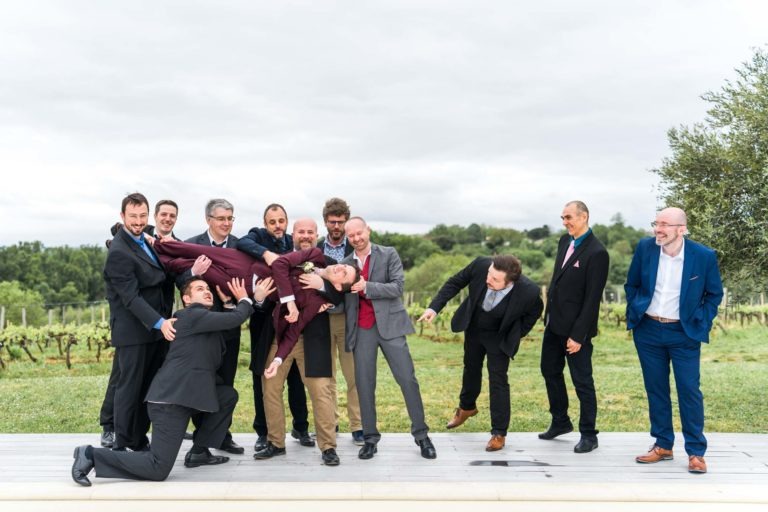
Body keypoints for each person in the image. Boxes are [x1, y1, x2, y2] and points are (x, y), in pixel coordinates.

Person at [71, 277, 253, 485]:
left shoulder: (204, 323)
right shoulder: (191, 316)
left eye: (208, 288)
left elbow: (227, 328)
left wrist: (229, 304)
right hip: (170, 402)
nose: (207, 291)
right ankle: (91, 455)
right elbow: (234, 320)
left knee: (227, 396)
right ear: (186, 298)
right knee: (158, 468)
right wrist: (244, 299)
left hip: (188, 396)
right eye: (199, 289)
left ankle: (199, 452)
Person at [625, 207, 723, 474]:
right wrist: (635, 309)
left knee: (689, 391)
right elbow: (631, 284)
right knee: (656, 389)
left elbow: (714, 294)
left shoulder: (703, 256)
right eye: (656, 223)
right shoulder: (646, 249)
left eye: (665, 224)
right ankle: (663, 444)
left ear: (681, 229)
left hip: (684, 333)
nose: (658, 229)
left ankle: (695, 452)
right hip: (648, 330)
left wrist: (701, 319)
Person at [256, 218, 359, 466]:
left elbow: (343, 288)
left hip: (315, 339)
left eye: (310, 232)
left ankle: (328, 447)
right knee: (269, 389)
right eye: (300, 231)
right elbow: (268, 291)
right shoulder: (281, 260)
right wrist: (259, 298)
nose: (305, 235)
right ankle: (276, 442)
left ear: (316, 235)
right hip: (279, 337)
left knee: (321, 392)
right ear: (293, 235)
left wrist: (321, 282)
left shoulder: (328, 262)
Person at [418, 255, 543, 451]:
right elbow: (455, 282)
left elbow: (535, 312)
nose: (488, 280)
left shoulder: (529, 291)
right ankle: (467, 407)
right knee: (471, 368)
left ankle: (499, 433)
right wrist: (434, 308)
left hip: (499, 336)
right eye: (489, 275)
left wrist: (517, 334)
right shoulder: (481, 265)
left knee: (498, 380)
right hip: (474, 328)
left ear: (510, 282)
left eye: (495, 280)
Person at [342, 216, 436, 460]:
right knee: (364, 385)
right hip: (362, 330)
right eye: (351, 236)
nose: (356, 238)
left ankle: (422, 436)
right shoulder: (344, 263)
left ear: (368, 230)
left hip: (392, 326)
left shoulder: (389, 254)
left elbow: (397, 287)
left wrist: (367, 287)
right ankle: (370, 439)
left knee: (407, 379)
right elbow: (339, 297)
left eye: (359, 233)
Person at [99, 199, 181, 448]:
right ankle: (121, 443)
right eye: (133, 216)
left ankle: (138, 439)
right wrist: (160, 322)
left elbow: (159, 275)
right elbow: (131, 298)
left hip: (154, 331)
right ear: (122, 215)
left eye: (142, 216)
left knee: (146, 388)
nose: (138, 221)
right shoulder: (119, 252)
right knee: (128, 390)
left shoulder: (146, 240)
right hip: (134, 332)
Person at [237, 203, 311, 450]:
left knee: (297, 376)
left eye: (281, 220)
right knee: (263, 374)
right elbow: (242, 244)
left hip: (292, 317)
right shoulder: (257, 236)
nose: (277, 225)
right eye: (272, 221)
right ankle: (263, 431)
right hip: (263, 318)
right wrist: (267, 254)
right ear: (265, 223)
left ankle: (301, 427)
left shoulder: (293, 241)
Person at [539, 200, 609, 454]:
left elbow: (592, 299)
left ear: (584, 217)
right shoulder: (563, 242)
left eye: (569, 217)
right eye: (563, 218)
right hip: (554, 325)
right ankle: (560, 421)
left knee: (582, 381)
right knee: (549, 370)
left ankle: (589, 434)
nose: (565, 222)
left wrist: (578, 335)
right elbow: (557, 283)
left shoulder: (598, 253)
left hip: (576, 332)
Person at [176, 198, 244, 455]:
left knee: (226, 382)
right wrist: (193, 271)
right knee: (202, 383)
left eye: (230, 218)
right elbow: (179, 282)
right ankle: (201, 440)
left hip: (229, 328)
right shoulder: (192, 245)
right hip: (200, 332)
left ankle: (222, 436)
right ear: (208, 220)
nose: (226, 223)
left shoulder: (240, 246)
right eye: (221, 219)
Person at [319, 197, 363, 445]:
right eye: (332, 222)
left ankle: (357, 424)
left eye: (341, 222)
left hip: (347, 317)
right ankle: (330, 422)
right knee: (327, 376)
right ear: (325, 221)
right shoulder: (315, 247)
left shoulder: (355, 249)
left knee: (353, 375)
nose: (336, 226)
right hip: (321, 319)